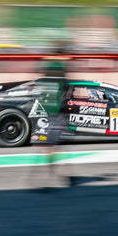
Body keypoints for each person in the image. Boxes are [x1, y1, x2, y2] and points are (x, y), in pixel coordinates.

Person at [30, 42, 75, 190]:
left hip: (47, 110)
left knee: (51, 145)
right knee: (52, 145)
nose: (70, 58)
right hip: (57, 111)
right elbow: (66, 89)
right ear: (63, 55)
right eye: (68, 55)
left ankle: (62, 176)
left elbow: (40, 86)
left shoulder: (47, 67)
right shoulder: (60, 69)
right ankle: (50, 178)